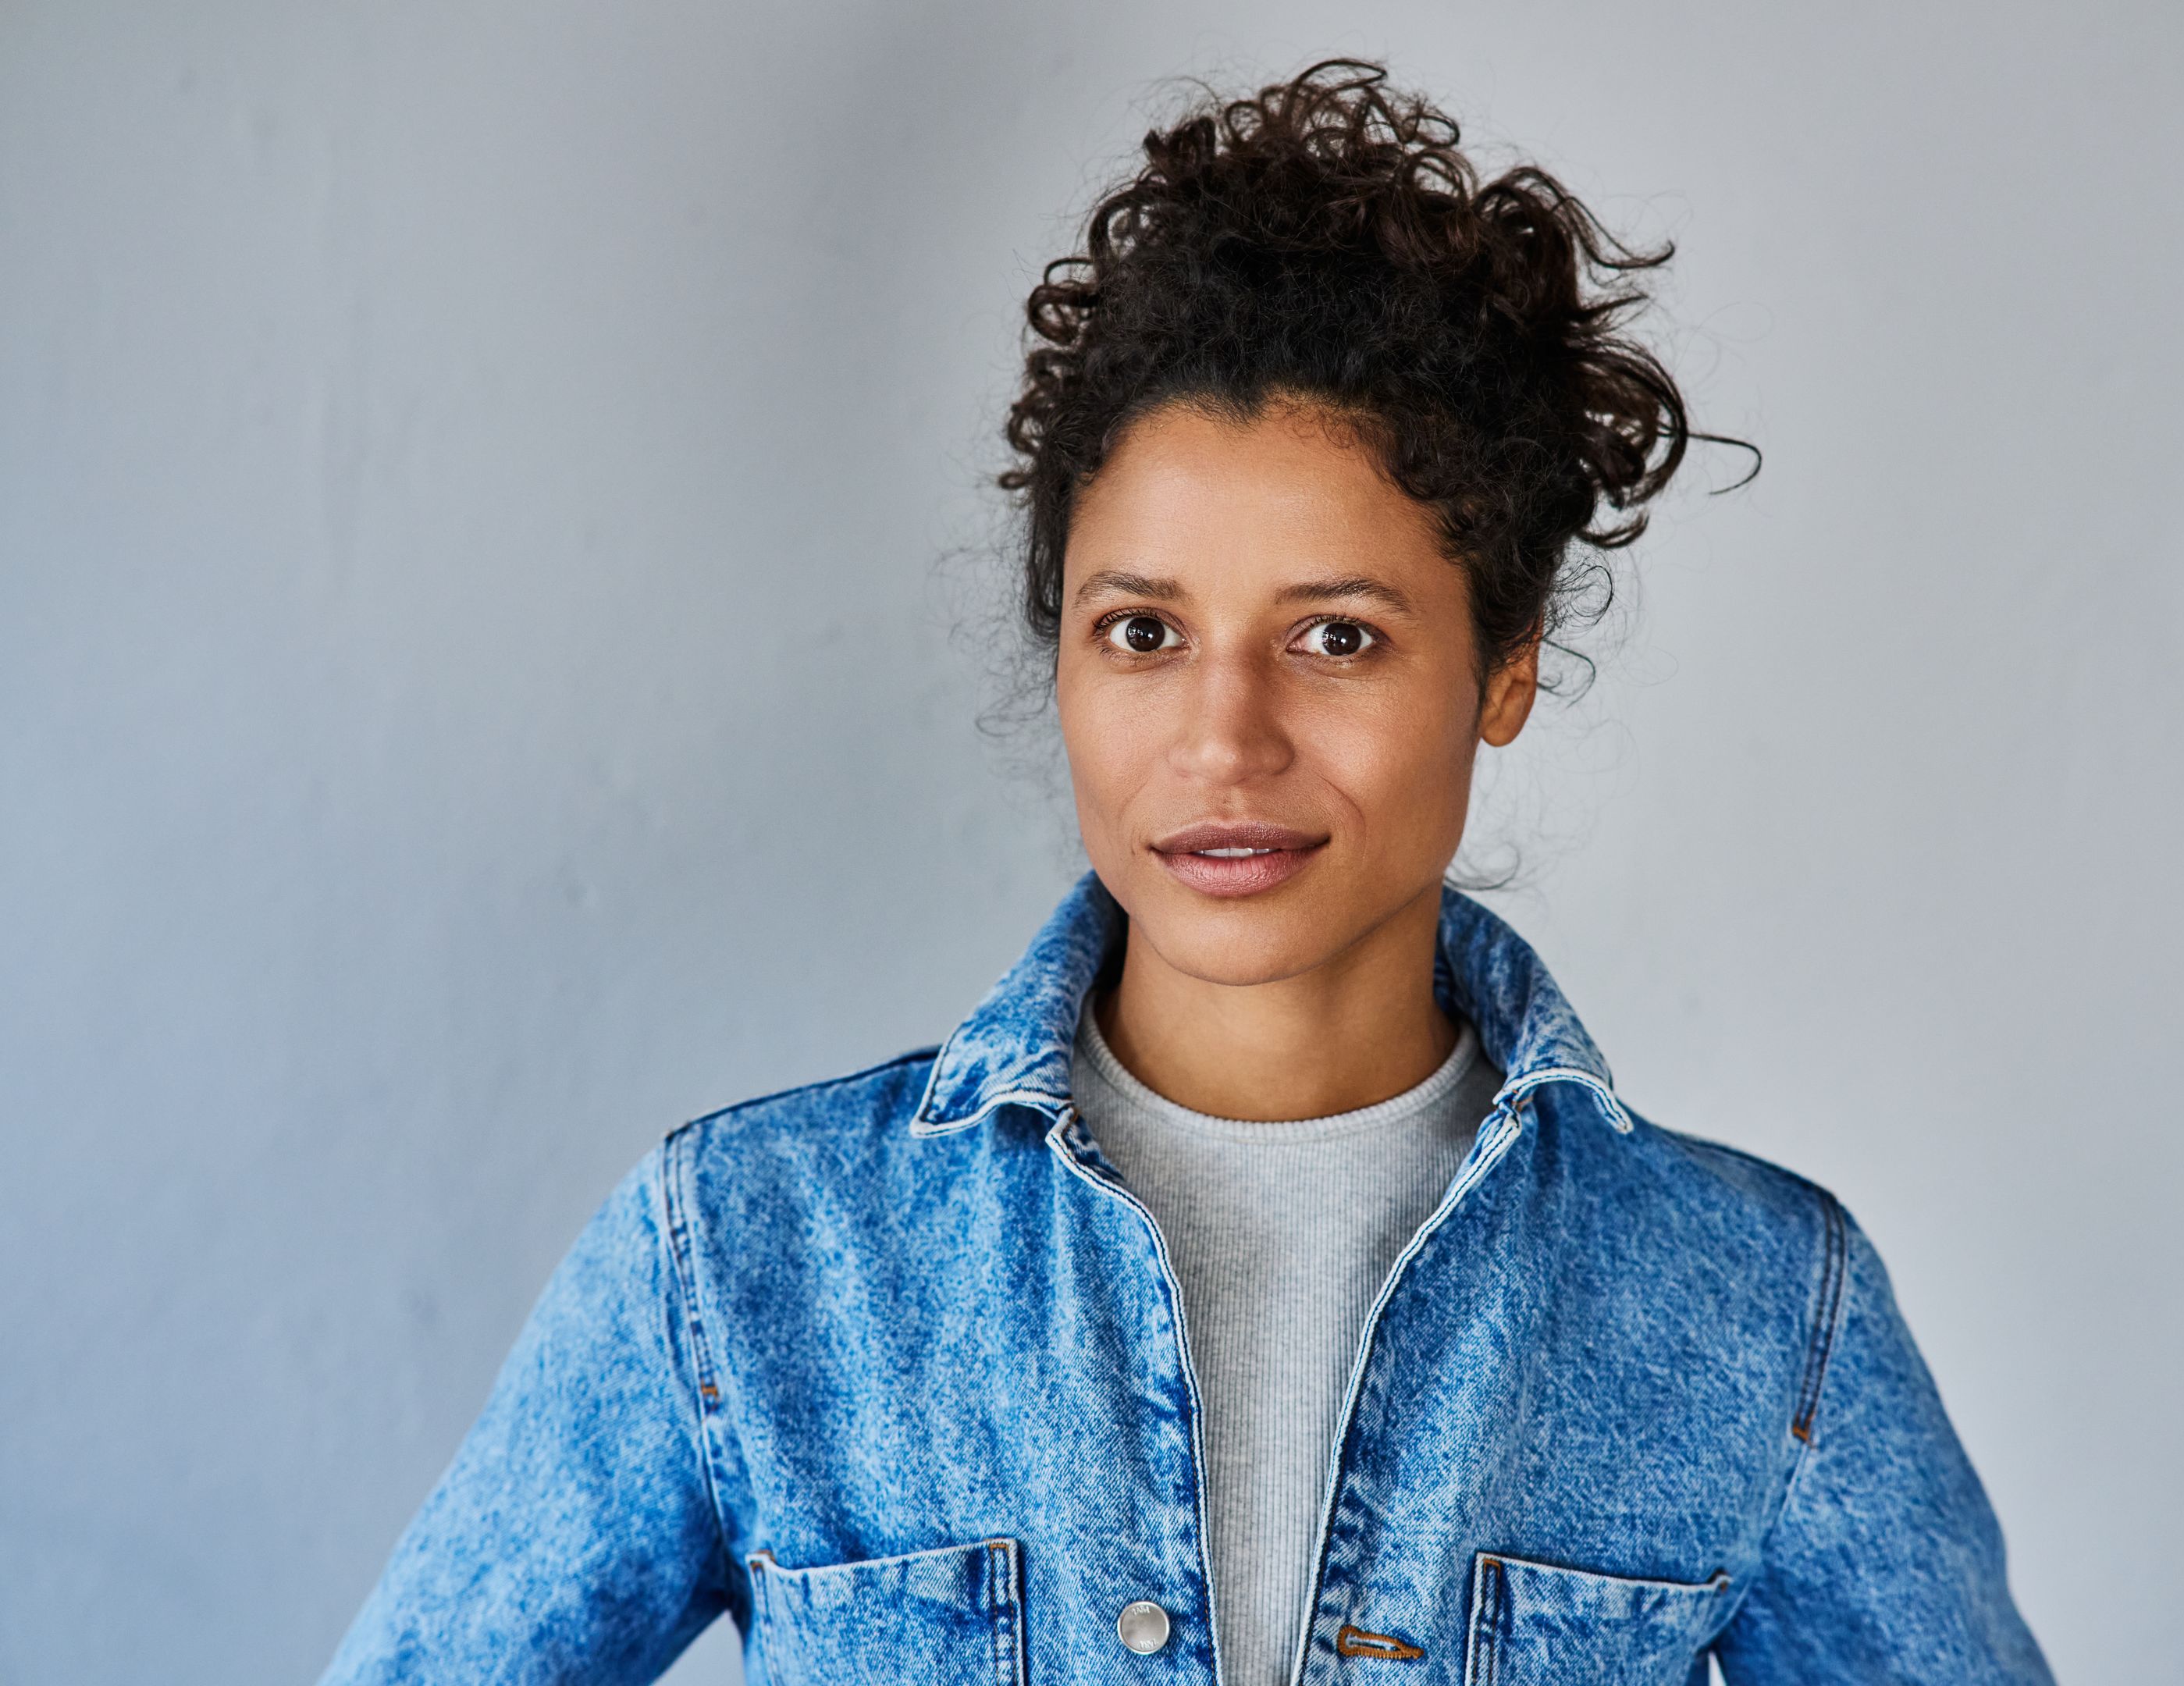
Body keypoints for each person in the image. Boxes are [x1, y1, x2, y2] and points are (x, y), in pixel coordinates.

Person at [321, 60, 2051, 1686]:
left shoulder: (1757, 1303)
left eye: (1338, 636)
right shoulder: (751, 1253)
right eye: (1143, 632)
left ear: (1504, 666)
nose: (1224, 742)